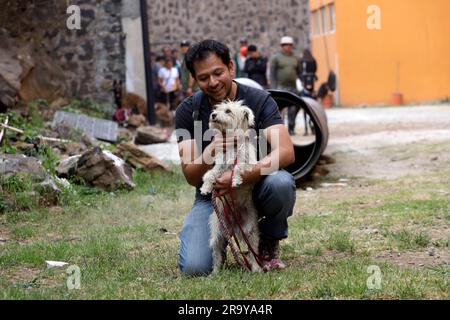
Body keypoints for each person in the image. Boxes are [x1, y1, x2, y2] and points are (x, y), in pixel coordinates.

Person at [175, 39, 296, 276]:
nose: (212, 82)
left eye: (218, 73)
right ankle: (225, 240)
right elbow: (190, 176)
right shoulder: (186, 111)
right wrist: (210, 152)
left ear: (231, 67)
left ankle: (268, 239)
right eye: (203, 78)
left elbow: (286, 151)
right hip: (213, 197)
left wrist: (244, 174)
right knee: (194, 267)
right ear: (194, 79)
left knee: (280, 183)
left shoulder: (259, 101)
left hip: (257, 187)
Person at [270, 36, 301, 135]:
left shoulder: (296, 58)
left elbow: (299, 72)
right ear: (282, 46)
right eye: (285, 45)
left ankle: (291, 128)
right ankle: (280, 129)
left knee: (294, 107)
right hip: (280, 87)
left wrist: (301, 84)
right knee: (279, 109)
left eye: (290, 45)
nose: (288, 47)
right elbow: (272, 74)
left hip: (293, 87)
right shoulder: (276, 58)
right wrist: (273, 87)